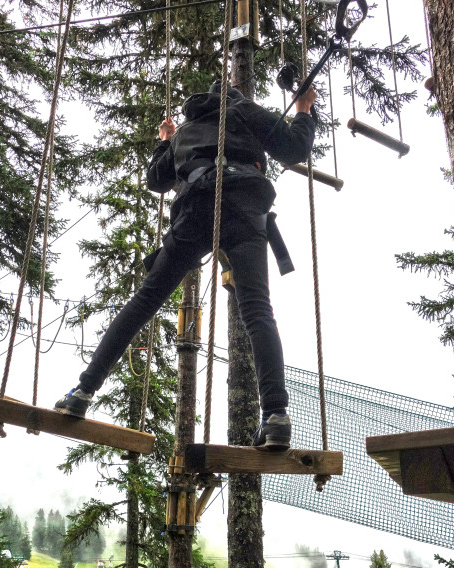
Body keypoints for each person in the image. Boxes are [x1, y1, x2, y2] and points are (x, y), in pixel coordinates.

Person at [55, 80, 317, 451]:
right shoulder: (242, 110)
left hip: (195, 209)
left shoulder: (187, 131)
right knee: (258, 310)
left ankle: (83, 390)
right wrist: (304, 109)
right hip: (244, 208)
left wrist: (167, 140)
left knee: (144, 302)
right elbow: (294, 148)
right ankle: (275, 416)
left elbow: (156, 180)